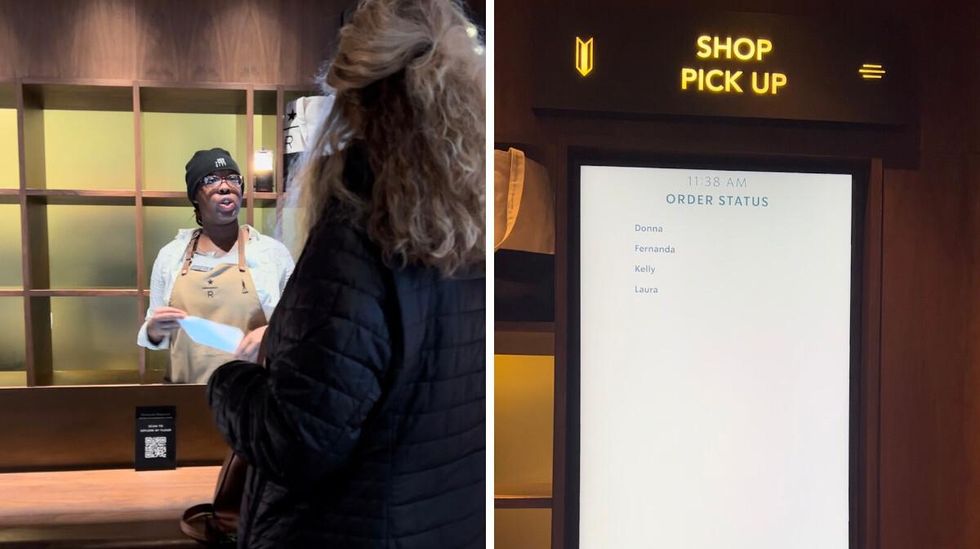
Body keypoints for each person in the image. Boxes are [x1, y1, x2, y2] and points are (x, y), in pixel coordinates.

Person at [206, 0, 486, 547]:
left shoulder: (361, 222)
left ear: (356, 104)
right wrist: (291, 351)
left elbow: (300, 438)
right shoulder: (473, 223)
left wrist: (230, 380)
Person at [137, 148, 295, 384]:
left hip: (250, 399)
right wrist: (154, 330)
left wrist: (270, 333)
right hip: (184, 394)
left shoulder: (271, 254)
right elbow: (151, 334)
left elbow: (297, 327)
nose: (225, 186)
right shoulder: (171, 256)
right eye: (211, 179)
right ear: (194, 196)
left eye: (232, 178)